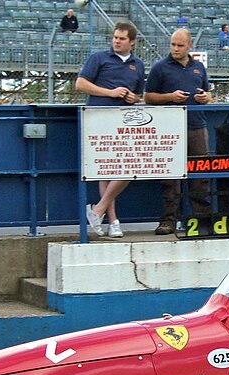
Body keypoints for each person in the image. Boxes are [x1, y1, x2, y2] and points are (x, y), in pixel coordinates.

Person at [75, 22, 145, 238]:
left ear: (131, 42)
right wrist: (110, 92)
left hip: (124, 122)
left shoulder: (138, 65)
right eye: (115, 37)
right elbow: (80, 84)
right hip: (99, 119)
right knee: (106, 170)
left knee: (126, 167)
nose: (117, 41)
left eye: (122, 38)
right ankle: (112, 220)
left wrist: (134, 98)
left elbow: (139, 95)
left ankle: (99, 209)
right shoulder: (99, 58)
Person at [145, 28, 213, 235]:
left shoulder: (199, 67)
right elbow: (148, 97)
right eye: (173, 44)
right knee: (170, 177)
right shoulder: (160, 68)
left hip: (197, 126)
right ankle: (168, 220)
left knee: (201, 173)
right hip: (169, 129)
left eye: (180, 45)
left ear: (189, 46)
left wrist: (206, 98)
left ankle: (201, 219)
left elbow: (208, 92)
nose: (175, 48)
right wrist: (170, 97)